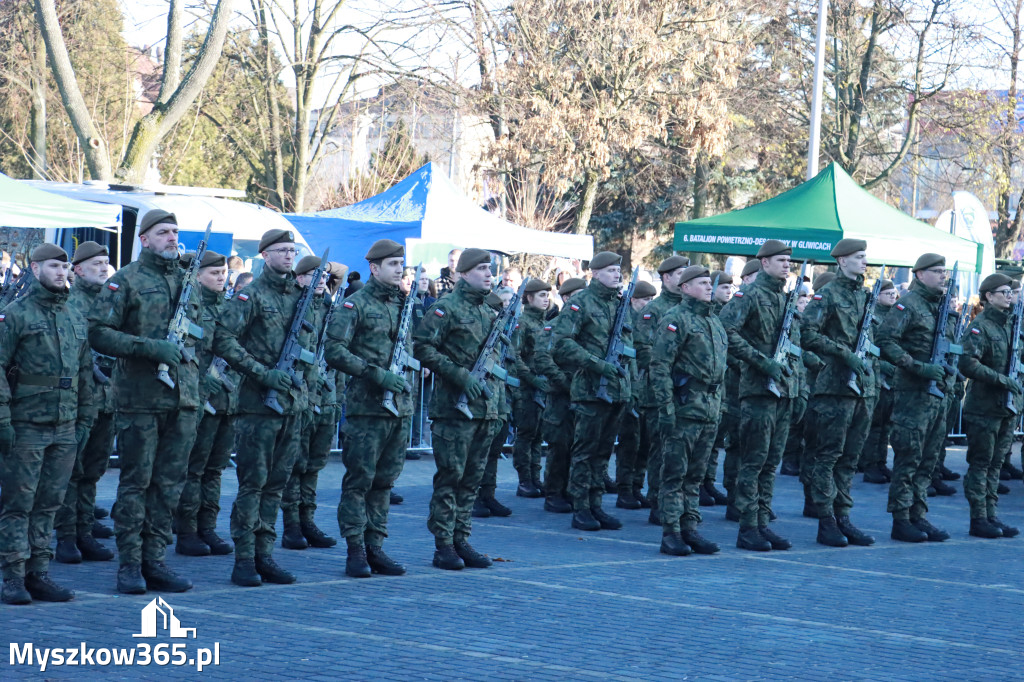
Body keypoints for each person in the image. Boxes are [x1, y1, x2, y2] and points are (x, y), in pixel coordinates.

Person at [89, 211, 203, 595]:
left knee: (169, 484)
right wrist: (150, 348)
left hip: (183, 399)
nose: (172, 237)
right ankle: (130, 563)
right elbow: (98, 333)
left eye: (174, 231)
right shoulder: (126, 281)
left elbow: (203, 336)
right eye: (163, 232)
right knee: (136, 483)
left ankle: (156, 560)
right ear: (144, 240)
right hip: (140, 399)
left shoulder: (189, 280)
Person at [215, 228, 318, 586]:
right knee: (253, 484)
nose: (289, 256)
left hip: (292, 405)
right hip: (258, 405)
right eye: (282, 251)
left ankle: (265, 553)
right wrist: (262, 374)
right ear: (265, 255)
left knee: (276, 484)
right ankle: (244, 557)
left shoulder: (300, 297)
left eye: (292, 251)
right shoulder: (251, 296)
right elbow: (223, 339)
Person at [0, 244, 95, 605]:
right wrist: (3, 420)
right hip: (26, 423)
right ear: (36, 268)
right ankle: (12, 575)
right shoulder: (15, 314)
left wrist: (86, 416)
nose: (62, 272)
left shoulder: (74, 314)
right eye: (54, 266)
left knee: (49, 503)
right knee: (18, 503)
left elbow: (85, 371)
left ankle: (39, 571)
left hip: (66, 425)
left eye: (65, 267)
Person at [327, 239, 415, 577]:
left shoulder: (403, 305)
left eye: (401, 265)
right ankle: (355, 550)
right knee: (359, 482)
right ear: (374, 268)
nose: (399, 270)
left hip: (399, 409)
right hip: (367, 408)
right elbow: (334, 350)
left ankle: (376, 546)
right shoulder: (356, 305)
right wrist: (373, 373)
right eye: (392, 264)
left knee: (384, 483)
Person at [413, 248, 503, 570]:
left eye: (490, 269)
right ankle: (443, 545)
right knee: (450, 478)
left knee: (471, 481)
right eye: (481, 268)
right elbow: (422, 347)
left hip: (484, 410)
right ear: (463, 273)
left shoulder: (490, 311)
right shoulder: (445, 308)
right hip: (453, 410)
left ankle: (461, 539)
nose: (488, 274)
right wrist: (460, 376)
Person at [719, 240, 798, 551]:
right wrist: (758, 360)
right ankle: (748, 526)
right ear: (764, 263)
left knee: (770, 464)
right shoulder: (750, 294)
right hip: (757, 390)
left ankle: (762, 523)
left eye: (788, 261)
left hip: (782, 390)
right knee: (753, 462)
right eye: (780, 260)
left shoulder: (784, 299)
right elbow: (726, 329)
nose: (786, 265)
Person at [800, 239, 877, 547]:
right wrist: (843, 353)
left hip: (861, 390)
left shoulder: (864, 296)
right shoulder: (827, 295)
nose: (864, 262)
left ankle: (844, 516)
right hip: (833, 387)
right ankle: (826, 520)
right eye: (859, 257)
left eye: (864, 257)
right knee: (828, 457)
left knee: (850, 459)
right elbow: (808, 333)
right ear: (842, 261)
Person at [876, 253, 956, 543]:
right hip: (913, 394)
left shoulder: (940, 307)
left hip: (936, 395)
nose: (942, 276)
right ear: (920, 274)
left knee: (928, 460)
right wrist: (916, 366)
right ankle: (901, 519)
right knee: (908, 458)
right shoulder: (908, 304)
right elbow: (885, 341)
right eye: (936, 271)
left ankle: (918, 515)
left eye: (944, 272)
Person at [649, 265, 727, 556]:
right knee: (674, 475)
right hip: (684, 408)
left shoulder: (714, 321)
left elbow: (721, 371)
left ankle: (689, 528)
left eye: (710, 282)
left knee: (696, 475)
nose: (709, 287)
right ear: (685, 287)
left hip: (709, 409)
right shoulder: (675, 319)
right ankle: (671, 533)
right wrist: (666, 408)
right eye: (702, 283)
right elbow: (659, 367)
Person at [553, 251, 634, 532]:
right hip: (590, 389)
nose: (617, 274)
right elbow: (560, 343)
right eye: (610, 270)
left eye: (618, 270)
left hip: (617, 390)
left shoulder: (620, 304)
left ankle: (596, 503)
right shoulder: (580, 303)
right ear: (595, 274)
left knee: (603, 453)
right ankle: (581, 507)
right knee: (585, 452)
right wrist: (596, 365)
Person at [54, 242, 116, 565]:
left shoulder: (111, 302)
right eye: (96, 264)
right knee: (71, 472)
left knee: (93, 470)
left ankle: (84, 526)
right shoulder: (70, 304)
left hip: (107, 399)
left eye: (106, 263)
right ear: (77, 270)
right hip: (79, 400)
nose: (104, 268)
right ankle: (67, 536)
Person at [174, 251, 237, 557]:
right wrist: (199, 383)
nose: (221, 277)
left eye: (224, 272)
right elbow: (185, 350)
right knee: (194, 469)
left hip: (226, 399)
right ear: (198, 276)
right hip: (199, 397)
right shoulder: (189, 308)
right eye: (214, 273)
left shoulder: (231, 307)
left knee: (215, 469)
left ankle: (207, 527)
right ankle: (186, 530)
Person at [280, 255, 339, 551]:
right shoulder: (291, 305)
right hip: (299, 394)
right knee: (295, 464)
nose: (321, 279)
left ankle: (308, 520)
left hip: (325, 397)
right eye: (314, 274)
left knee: (314, 465)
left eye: (324, 275)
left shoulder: (329, 307)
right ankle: (291, 525)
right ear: (299, 277)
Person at [958, 273, 1021, 539]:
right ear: (988, 296)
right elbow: (968, 364)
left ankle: (992, 515)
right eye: (1004, 292)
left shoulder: (1010, 325)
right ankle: (978, 518)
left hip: (1007, 406)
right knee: (981, 464)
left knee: (996, 465)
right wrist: (1001, 380)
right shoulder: (979, 326)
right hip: (984, 405)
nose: (1009, 296)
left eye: (1010, 292)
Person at [632, 256, 689, 523]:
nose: (684, 277)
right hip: (659, 392)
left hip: (688, 393)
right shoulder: (654, 310)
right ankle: (657, 500)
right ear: (666, 277)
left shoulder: (692, 308)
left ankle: (678, 502)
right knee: (660, 448)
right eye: (680, 273)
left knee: (681, 451)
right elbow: (643, 350)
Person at [538, 277, 586, 513]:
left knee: (578, 446)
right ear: (566, 298)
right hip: (561, 394)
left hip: (583, 394)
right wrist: (565, 382)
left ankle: (570, 489)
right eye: (577, 294)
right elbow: (543, 359)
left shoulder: (584, 325)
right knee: (559, 446)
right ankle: (554, 492)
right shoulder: (554, 325)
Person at [614, 279, 658, 510]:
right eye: (645, 300)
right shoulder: (625, 320)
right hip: (629, 386)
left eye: (652, 300)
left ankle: (637, 487)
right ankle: (624, 489)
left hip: (646, 388)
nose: (649, 304)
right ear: (633, 300)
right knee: (630, 441)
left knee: (645, 442)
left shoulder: (647, 320)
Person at [511, 279, 553, 498]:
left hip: (542, 385)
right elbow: (514, 355)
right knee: (526, 434)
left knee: (538, 434)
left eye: (547, 295)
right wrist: (530, 377)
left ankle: (536, 478)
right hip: (527, 387)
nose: (546, 299)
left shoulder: (546, 323)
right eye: (541, 295)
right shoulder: (523, 322)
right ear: (529, 298)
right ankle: (524, 480)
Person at [702, 270, 734, 506]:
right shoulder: (709, 315)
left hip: (723, 388)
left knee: (714, 442)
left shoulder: (723, 315)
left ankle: (708, 482)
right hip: (701, 391)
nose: (728, 291)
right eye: (723, 287)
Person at [861, 279, 898, 483]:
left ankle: (881, 463)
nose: (893, 296)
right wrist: (884, 367)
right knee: (875, 425)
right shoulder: (872, 317)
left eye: (894, 293)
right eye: (888, 293)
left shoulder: (894, 316)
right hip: (877, 375)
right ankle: (870, 465)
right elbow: (869, 348)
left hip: (892, 378)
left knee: (886, 426)